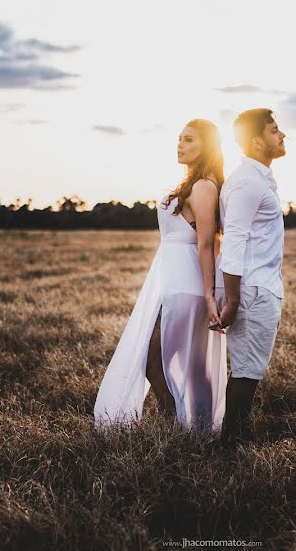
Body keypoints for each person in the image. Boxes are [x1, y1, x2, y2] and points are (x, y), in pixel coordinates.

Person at [94, 119, 227, 433]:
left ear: (206, 146)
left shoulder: (204, 187)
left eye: (189, 140)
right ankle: (185, 426)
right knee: (165, 359)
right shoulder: (188, 185)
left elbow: (208, 243)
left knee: (168, 359)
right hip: (169, 280)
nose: (180, 144)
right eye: (179, 139)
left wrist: (210, 295)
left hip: (188, 286)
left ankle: (194, 428)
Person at [216, 108, 287, 445]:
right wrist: (232, 299)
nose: (282, 135)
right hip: (252, 289)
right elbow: (233, 241)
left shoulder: (258, 180)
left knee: (249, 370)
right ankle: (231, 447)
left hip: (261, 286)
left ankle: (233, 439)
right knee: (246, 372)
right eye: (275, 130)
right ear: (258, 141)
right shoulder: (246, 182)